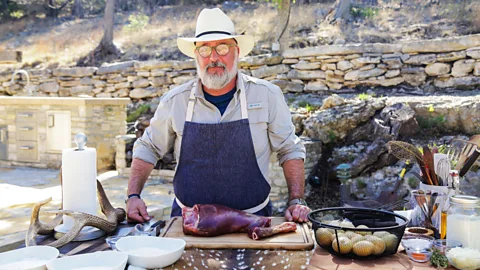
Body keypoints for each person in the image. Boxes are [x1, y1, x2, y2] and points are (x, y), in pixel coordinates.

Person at [126, 8, 310, 224]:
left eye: (222, 48)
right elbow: (149, 147)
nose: (213, 58)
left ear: (237, 51)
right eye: (205, 50)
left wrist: (296, 199)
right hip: (188, 222)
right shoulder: (175, 101)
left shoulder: (267, 95)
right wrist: (133, 196)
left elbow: (289, 148)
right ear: (196, 56)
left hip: (254, 219)